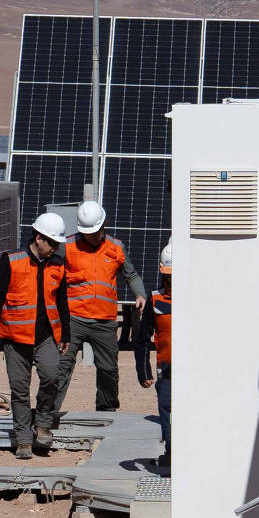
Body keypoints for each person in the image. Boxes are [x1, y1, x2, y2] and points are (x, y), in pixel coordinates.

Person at [0, 212, 72, 458]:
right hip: (15, 337)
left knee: (52, 376)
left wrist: (66, 333)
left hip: (47, 336)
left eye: (57, 244)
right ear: (38, 238)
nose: (54, 249)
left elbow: (63, 302)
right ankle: (23, 438)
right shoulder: (11, 260)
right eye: (51, 243)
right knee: (19, 389)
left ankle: (42, 423)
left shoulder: (58, 265)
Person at [63, 200, 147, 413]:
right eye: (87, 233)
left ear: (104, 225)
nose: (90, 236)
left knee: (108, 369)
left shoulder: (116, 247)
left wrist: (140, 294)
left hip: (104, 321)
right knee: (62, 366)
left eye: (95, 232)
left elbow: (131, 274)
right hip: (73, 319)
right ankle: (49, 413)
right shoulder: (66, 247)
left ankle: (107, 410)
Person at [133, 242, 173, 470]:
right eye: (168, 276)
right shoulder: (156, 300)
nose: (172, 282)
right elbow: (142, 339)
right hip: (167, 368)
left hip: (194, 370)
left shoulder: (198, 298)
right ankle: (172, 452)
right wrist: (143, 371)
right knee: (167, 410)